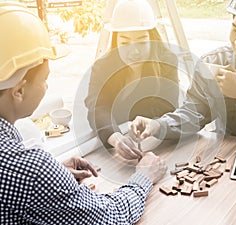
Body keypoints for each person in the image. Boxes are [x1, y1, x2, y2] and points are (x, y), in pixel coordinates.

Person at [131, 0, 236, 224]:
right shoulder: (213, 61)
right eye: (235, 29)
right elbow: (194, 113)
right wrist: (158, 125)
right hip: (225, 158)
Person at [0, 2, 167, 224]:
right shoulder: (28, 168)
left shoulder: (19, 163)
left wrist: (54, 175)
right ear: (19, 90)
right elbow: (111, 217)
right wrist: (144, 176)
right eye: (44, 80)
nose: (46, 87)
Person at [85, 0, 179, 160]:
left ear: (152, 38)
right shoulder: (102, 67)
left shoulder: (167, 61)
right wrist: (116, 138)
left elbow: (168, 107)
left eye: (142, 41)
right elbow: (98, 107)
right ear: (116, 41)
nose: (134, 51)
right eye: (125, 42)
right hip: (117, 145)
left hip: (157, 143)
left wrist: (152, 125)